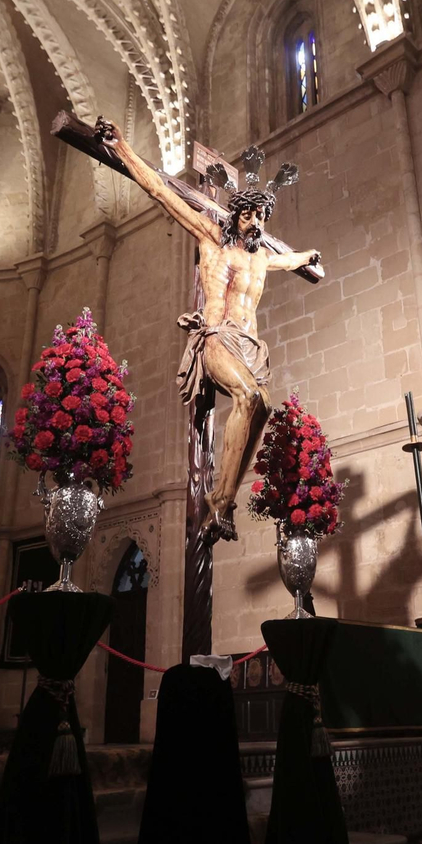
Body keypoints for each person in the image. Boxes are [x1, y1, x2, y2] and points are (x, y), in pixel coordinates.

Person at [98, 117, 322, 544]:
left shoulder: (262, 258)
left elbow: (291, 259)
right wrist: (122, 148)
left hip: (250, 345)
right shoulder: (212, 241)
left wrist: (308, 256)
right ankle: (219, 503)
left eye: (262, 216)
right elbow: (161, 191)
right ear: (235, 216)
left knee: (263, 407)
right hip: (217, 336)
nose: (256, 223)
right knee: (248, 397)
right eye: (249, 215)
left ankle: (223, 500)